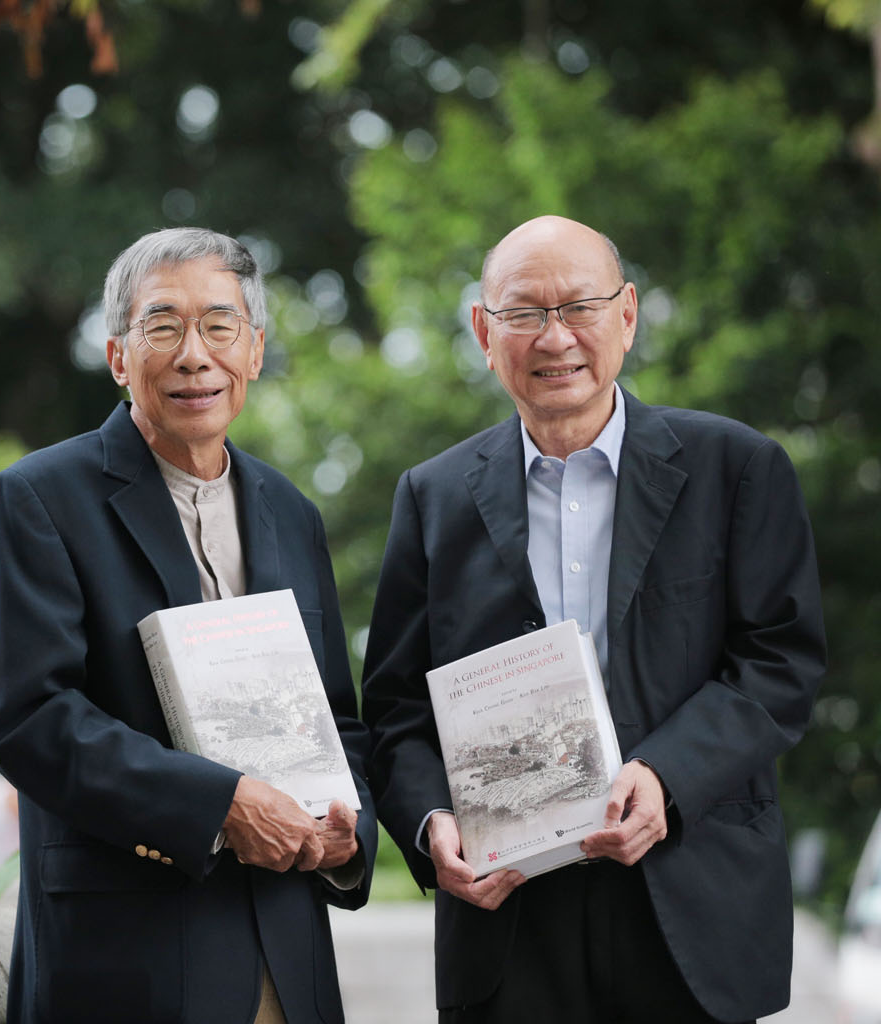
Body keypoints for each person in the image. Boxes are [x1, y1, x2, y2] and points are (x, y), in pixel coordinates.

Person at [361, 215, 825, 1023]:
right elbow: (397, 708)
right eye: (524, 313)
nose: (555, 339)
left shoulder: (736, 468)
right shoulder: (432, 499)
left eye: (578, 308)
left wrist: (667, 775)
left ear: (628, 314)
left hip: (691, 899)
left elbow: (780, 662)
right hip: (508, 921)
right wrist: (432, 822)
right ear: (483, 329)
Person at [0, 227, 376, 1024]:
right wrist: (222, 804)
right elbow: (32, 719)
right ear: (120, 355)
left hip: (289, 957)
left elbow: (338, 717)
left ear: (254, 351)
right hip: (126, 960)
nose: (195, 355)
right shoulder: (38, 499)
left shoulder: (291, 513)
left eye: (219, 326)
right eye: (163, 327)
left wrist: (347, 829)